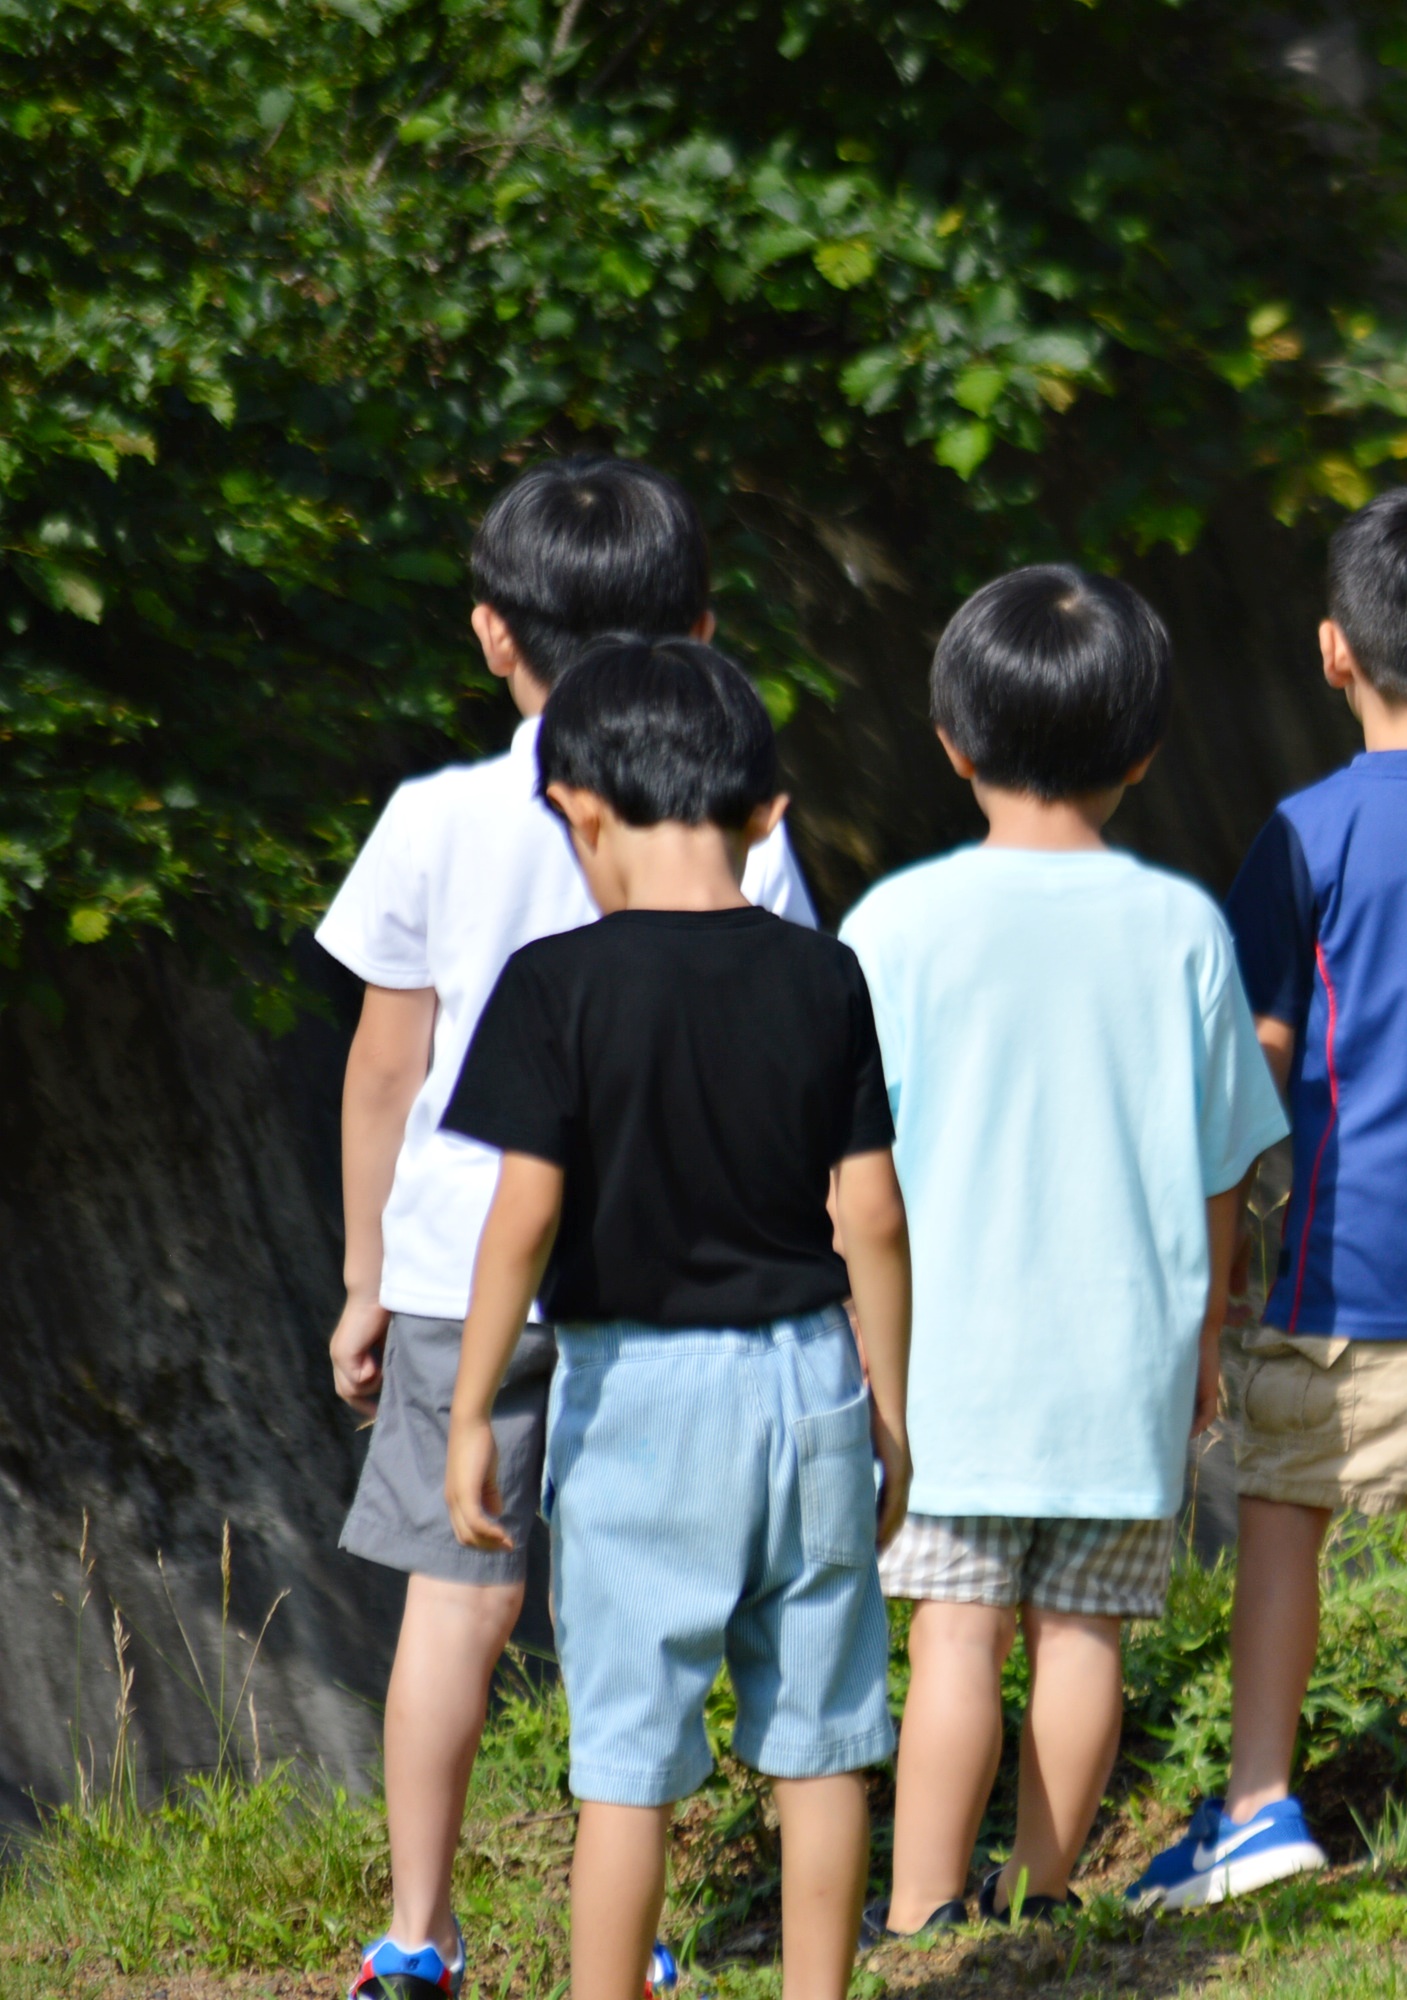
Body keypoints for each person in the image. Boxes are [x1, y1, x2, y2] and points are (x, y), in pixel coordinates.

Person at [317, 458, 813, 2000]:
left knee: (453, 1602)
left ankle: (419, 1924)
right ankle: (626, 1932)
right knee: (633, 1605)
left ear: (489, 635)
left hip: (461, 1264)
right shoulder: (743, 824)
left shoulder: (434, 816)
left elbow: (387, 1064)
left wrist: (361, 1279)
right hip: (659, 1273)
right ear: (706, 632)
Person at [1128, 487, 1407, 1908]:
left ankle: (1262, 1804)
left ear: (1335, 652)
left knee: (1285, 1514)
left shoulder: (1303, 834)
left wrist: (1225, 1220)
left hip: (1353, 1257)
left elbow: (1261, 1053)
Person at [437, 638, 910, 2000]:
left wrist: (472, 1407)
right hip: (807, 1379)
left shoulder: (555, 987)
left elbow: (523, 1219)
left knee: (627, 1758)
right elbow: (869, 1215)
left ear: (579, 809)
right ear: (769, 813)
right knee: (819, 1738)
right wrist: (889, 1405)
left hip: (634, 1400)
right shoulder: (825, 979)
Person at [844, 568, 1284, 1935]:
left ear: (951, 739)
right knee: (1082, 1634)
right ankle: (1042, 1894)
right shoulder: (1183, 930)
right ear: (1143, 753)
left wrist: (875, 1367)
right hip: (1121, 1361)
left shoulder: (893, 929)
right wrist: (1204, 1334)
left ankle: (921, 1909)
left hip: (952, 1366)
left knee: (955, 1635)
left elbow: (858, 1180)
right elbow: (1223, 1171)